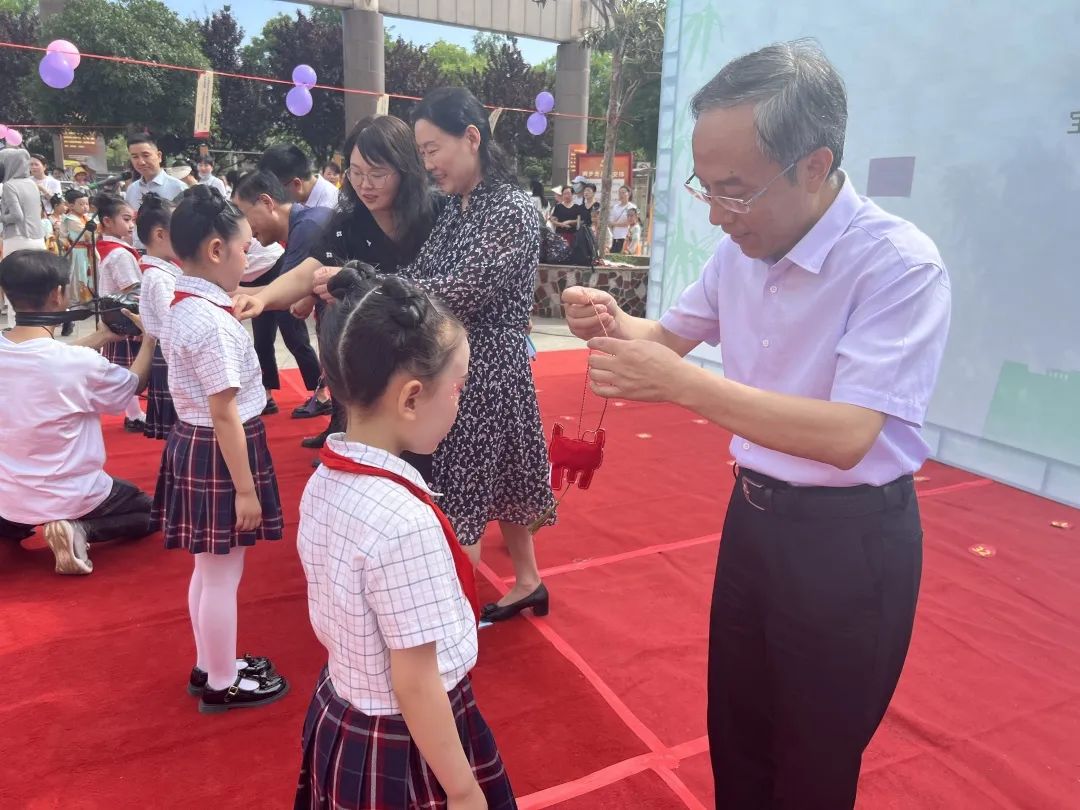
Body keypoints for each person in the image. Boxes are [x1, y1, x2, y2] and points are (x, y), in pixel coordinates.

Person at [562, 40, 952, 809]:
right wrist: (609, 319)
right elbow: (665, 338)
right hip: (753, 522)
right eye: (705, 188)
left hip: (850, 544)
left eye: (734, 191)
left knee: (813, 762)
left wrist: (684, 388)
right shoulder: (740, 251)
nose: (715, 215)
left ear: (815, 165)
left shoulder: (897, 266)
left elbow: (848, 435)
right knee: (737, 737)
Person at [295, 264, 516, 810]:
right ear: (411, 398)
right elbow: (415, 683)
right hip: (405, 741)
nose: (460, 402)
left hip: (344, 707)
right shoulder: (403, 522)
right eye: (458, 388)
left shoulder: (325, 480)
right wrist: (462, 788)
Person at [405, 87, 556, 621]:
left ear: (472, 137)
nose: (428, 164)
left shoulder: (511, 208)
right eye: (422, 153)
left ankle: (445, 630)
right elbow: (422, 273)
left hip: (485, 366)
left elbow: (460, 290)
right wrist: (388, 284)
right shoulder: (457, 207)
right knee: (507, 473)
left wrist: (380, 288)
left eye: (432, 149)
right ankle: (529, 581)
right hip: (468, 359)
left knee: (461, 495)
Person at [233, 114, 442, 461]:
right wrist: (261, 298)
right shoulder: (348, 223)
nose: (365, 184)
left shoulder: (437, 214)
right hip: (377, 361)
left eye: (377, 174)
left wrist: (361, 281)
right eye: (355, 173)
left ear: (406, 169)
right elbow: (306, 273)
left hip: (432, 357)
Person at [152, 185, 288, 712]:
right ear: (215, 250)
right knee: (222, 574)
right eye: (244, 248)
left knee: (208, 570)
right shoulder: (210, 321)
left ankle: (211, 663)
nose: (247, 259)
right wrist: (246, 490)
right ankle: (222, 680)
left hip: (197, 442)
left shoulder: (184, 303)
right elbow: (225, 412)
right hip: (219, 448)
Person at [0, 249, 156, 575]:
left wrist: (100, 336)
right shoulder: (78, 364)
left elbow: (39, 358)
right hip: (73, 494)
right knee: (151, 512)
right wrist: (150, 340)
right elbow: (132, 385)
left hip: (8, 495)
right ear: (57, 295)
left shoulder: (61, 359)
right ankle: (79, 529)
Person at [232, 171, 327, 417]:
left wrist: (233, 293)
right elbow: (296, 285)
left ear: (266, 202)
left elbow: (292, 290)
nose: (245, 228)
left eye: (244, 215)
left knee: (298, 340)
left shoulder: (307, 228)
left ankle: (324, 399)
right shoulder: (303, 225)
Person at [94, 193, 146, 433]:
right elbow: (132, 289)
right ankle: (134, 415)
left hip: (116, 315)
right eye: (126, 219)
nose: (131, 225)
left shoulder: (111, 249)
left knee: (126, 367)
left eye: (132, 219)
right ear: (107, 221)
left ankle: (133, 413)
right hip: (126, 316)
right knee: (132, 367)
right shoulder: (120, 254)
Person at [134, 192, 181, 440]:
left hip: (170, 353)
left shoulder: (165, 270)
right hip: (172, 355)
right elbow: (172, 321)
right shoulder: (158, 277)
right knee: (181, 429)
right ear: (160, 234)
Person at [2, 148, 48, 318]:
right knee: (36, 283)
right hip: (37, 238)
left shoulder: (9, 185)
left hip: (17, 237)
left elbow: (16, 216)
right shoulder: (32, 184)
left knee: (14, 284)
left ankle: (16, 324)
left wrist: (1, 217)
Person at [124, 131, 186, 248]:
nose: (141, 162)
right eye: (135, 157)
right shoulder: (132, 189)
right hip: (138, 251)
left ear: (159, 156)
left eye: (146, 155)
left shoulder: (178, 187)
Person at [258, 144, 338, 211]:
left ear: (297, 184)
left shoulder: (330, 208)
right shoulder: (300, 200)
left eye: (276, 191)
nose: (274, 198)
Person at [60, 188, 92, 302]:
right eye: (81, 204)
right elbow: (88, 233)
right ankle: (78, 298)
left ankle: (89, 296)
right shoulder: (71, 219)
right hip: (78, 251)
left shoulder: (86, 217)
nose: (85, 207)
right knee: (80, 273)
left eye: (87, 204)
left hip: (87, 249)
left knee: (88, 273)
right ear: (71, 206)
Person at [608, 185, 633, 253]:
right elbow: (611, 221)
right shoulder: (615, 207)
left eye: (623, 192)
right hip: (614, 236)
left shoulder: (632, 207)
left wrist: (615, 224)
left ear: (629, 193)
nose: (621, 194)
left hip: (625, 236)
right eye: (619, 193)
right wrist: (617, 224)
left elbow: (629, 222)